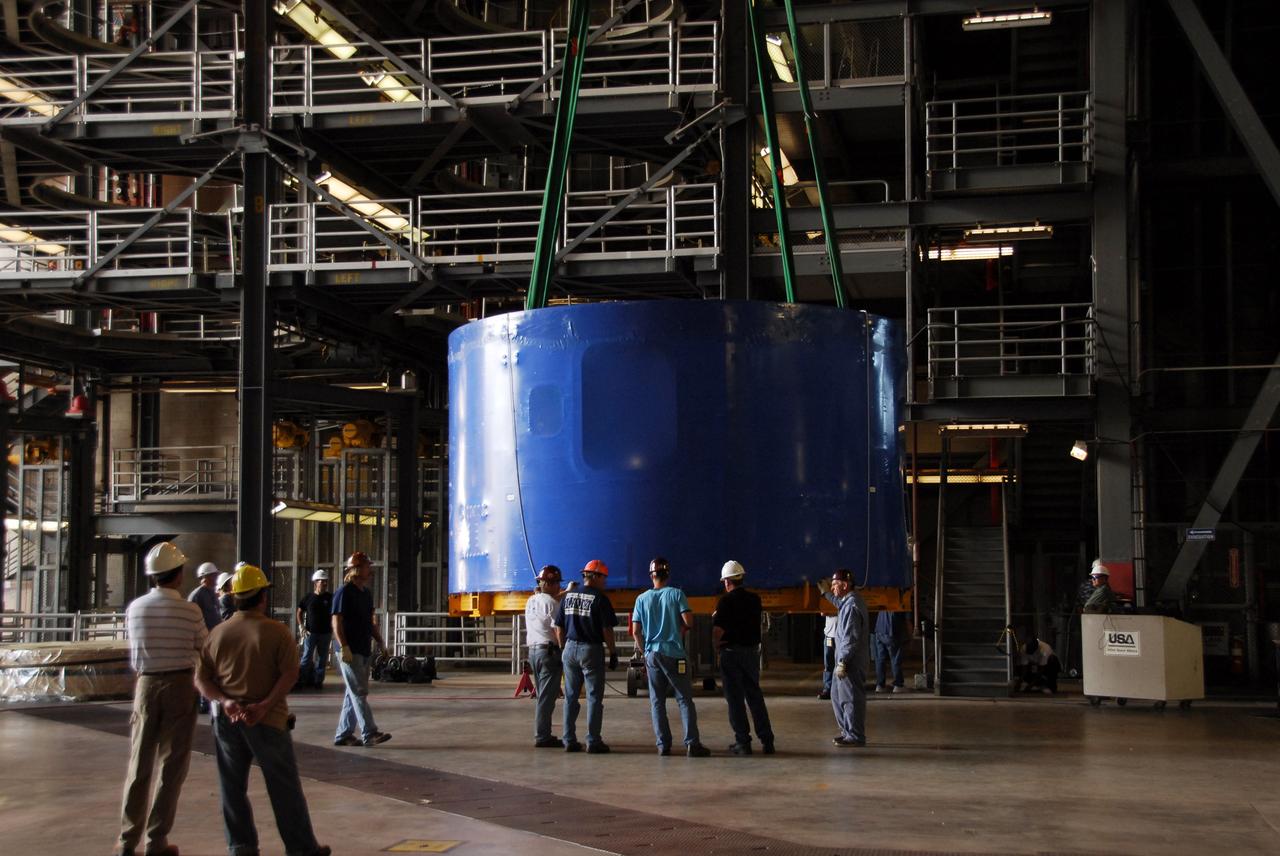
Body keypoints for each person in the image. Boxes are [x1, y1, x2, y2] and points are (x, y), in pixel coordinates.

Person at [195, 563, 331, 856]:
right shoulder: (276, 632)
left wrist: (224, 701)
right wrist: (265, 704)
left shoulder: (217, 634)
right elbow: (290, 674)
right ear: (261, 597)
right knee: (284, 788)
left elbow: (201, 679)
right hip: (268, 721)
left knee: (232, 787)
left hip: (228, 722)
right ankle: (301, 848)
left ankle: (241, 846)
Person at [113, 541, 207, 856]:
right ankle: (156, 841)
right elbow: (202, 647)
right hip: (180, 686)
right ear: (179, 575)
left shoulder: (135, 608)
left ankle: (126, 842)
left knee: (139, 764)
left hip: (146, 686)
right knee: (172, 766)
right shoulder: (190, 610)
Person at [631, 557, 711, 758]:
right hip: (675, 655)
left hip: (653, 655)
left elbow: (635, 631)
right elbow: (689, 621)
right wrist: (678, 630)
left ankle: (663, 745)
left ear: (651, 576)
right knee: (684, 700)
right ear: (667, 575)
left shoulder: (641, 599)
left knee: (657, 701)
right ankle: (692, 744)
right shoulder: (677, 594)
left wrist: (644, 652)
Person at [553, 558, 618, 754]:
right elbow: (607, 629)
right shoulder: (600, 598)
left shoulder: (569, 596)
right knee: (594, 697)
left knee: (571, 697)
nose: (605, 582)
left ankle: (569, 739)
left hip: (570, 649)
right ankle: (593, 741)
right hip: (591, 650)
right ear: (596, 576)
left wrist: (564, 646)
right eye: (604, 578)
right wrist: (613, 652)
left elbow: (558, 626)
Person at [712, 560, 775, 756]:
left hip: (731, 654)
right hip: (751, 653)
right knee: (755, 696)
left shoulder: (725, 602)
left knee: (735, 700)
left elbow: (718, 630)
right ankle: (767, 740)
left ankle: (743, 742)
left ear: (726, 582)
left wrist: (716, 648)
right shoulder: (755, 600)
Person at [331, 551, 391, 747]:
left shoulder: (365, 594)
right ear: (357, 569)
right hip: (349, 650)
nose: (370, 569)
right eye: (367, 566)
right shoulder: (344, 592)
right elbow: (336, 621)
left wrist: (381, 642)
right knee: (358, 691)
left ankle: (343, 734)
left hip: (364, 648)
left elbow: (369, 622)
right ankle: (370, 733)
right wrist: (344, 646)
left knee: (352, 693)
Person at [819, 568, 869, 748]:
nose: (832, 588)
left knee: (850, 699)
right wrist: (825, 594)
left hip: (850, 662)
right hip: (845, 661)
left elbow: (851, 637)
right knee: (836, 695)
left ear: (845, 585)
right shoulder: (848, 602)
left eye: (834, 585)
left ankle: (855, 736)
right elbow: (839, 603)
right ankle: (847, 732)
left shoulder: (853, 606)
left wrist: (843, 662)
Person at [526, 565, 568, 748]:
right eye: (557, 583)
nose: (559, 587)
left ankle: (543, 733)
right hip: (549, 652)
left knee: (543, 694)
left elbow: (549, 603)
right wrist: (564, 649)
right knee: (546, 697)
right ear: (550, 584)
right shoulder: (553, 604)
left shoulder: (531, 601)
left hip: (534, 652)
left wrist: (566, 592)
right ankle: (542, 736)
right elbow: (558, 629)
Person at [188, 562, 223, 713]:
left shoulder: (212, 595)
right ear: (205, 577)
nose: (216, 578)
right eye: (213, 575)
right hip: (203, 640)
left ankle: (208, 701)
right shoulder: (197, 595)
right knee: (203, 672)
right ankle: (203, 703)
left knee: (212, 672)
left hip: (213, 639)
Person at [296, 569, 334, 690]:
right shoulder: (308, 598)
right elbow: (299, 612)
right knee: (306, 657)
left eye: (325, 582)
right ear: (315, 583)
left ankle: (318, 682)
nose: (324, 584)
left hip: (325, 633)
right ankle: (301, 680)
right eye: (321, 581)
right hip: (310, 633)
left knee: (322, 659)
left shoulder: (330, 598)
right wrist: (301, 625)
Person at [872, 610, 909, 694]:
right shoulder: (902, 601)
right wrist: (910, 635)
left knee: (880, 659)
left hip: (879, 629)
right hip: (891, 630)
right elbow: (907, 620)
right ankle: (898, 685)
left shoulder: (886, 597)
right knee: (895, 658)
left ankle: (880, 685)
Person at [818, 614, 836, 700]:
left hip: (841, 636)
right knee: (828, 663)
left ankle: (841, 690)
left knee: (842, 663)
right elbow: (823, 612)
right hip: (829, 635)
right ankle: (828, 689)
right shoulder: (829, 600)